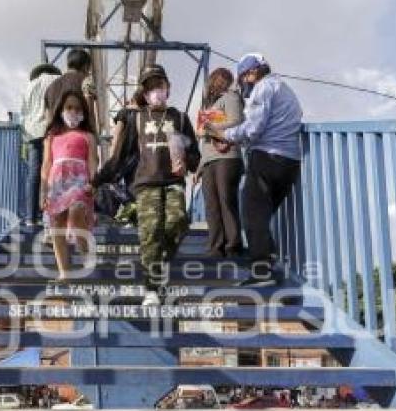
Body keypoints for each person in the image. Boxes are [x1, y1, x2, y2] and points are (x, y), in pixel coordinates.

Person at [94, 64, 200, 306]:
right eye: (150, 88)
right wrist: (97, 180)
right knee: (151, 232)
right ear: (143, 93)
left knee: (178, 221)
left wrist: (188, 162)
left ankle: (158, 267)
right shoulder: (136, 119)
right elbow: (120, 156)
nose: (156, 92)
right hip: (145, 183)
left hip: (173, 182)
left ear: (168, 88)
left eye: (159, 86)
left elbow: (194, 155)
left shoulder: (180, 118)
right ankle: (151, 288)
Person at [206, 53, 303, 287]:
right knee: (261, 214)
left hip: (267, 158)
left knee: (250, 212)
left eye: (244, 77)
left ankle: (262, 272)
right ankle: (269, 262)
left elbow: (253, 128)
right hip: (289, 161)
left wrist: (224, 135)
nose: (244, 83)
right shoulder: (285, 88)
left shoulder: (263, 88)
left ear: (251, 73)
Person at [41, 90, 98, 280]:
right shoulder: (51, 136)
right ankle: (64, 271)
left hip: (79, 179)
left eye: (77, 108)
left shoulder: (87, 136)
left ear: (83, 112)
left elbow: (92, 161)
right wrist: (43, 190)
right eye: (69, 108)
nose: (73, 112)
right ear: (61, 110)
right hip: (57, 181)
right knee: (57, 223)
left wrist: (93, 181)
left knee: (76, 211)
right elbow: (46, 163)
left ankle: (84, 250)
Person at [196, 68, 245, 258]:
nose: (215, 83)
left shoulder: (231, 98)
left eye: (219, 80)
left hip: (227, 157)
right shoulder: (210, 105)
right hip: (209, 159)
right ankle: (215, 246)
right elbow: (206, 139)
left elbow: (237, 121)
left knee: (226, 200)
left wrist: (210, 127)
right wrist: (200, 165)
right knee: (211, 205)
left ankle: (233, 245)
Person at [20, 63, 62, 225]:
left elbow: (23, 113)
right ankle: (53, 214)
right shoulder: (59, 80)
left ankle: (31, 217)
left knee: (34, 174)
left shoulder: (29, 86)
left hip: (34, 132)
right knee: (56, 171)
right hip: (55, 131)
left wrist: (25, 138)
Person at [45, 48, 98, 135]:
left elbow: (48, 119)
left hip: (57, 139)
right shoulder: (86, 82)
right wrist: (94, 137)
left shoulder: (51, 87)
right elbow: (90, 114)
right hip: (79, 137)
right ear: (85, 66)